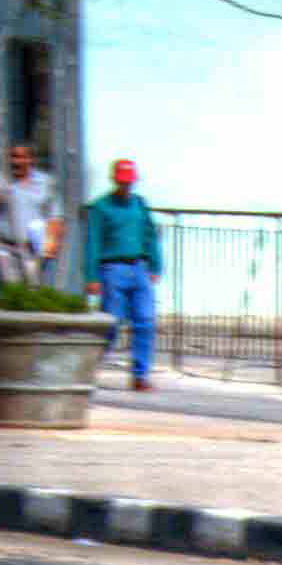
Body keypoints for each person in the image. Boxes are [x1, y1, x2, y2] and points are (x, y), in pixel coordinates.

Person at [83, 157, 163, 393]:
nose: (126, 186)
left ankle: (140, 375)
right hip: (112, 268)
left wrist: (155, 266)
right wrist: (92, 276)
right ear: (114, 180)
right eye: (122, 181)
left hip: (139, 267)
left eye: (129, 182)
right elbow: (93, 242)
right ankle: (89, 369)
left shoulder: (140, 205)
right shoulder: (101, 207)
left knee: (146, 321)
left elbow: (150, 236)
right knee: (111, 324)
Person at [0, 139, 62, 289]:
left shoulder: (46, 182)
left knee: (33, 293)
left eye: (21, 157)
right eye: (12, 156)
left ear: (31, 159)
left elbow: (55, 216)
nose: (15, 161)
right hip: (5, 248)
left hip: (33, 251)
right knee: (12, 293)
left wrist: (52, 244)